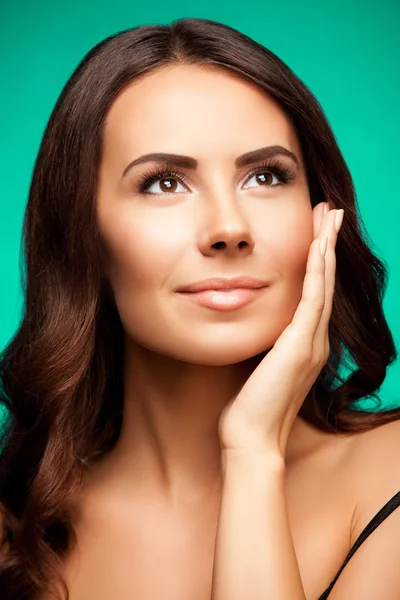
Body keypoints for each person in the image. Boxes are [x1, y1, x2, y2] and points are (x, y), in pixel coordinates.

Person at [0, 16, 399, 600]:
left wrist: (253, 453)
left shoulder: (389, 481)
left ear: (319, 215)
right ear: (84, 235)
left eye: (265, 176)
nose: (229, 228)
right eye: (164, 183)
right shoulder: (16, 530)